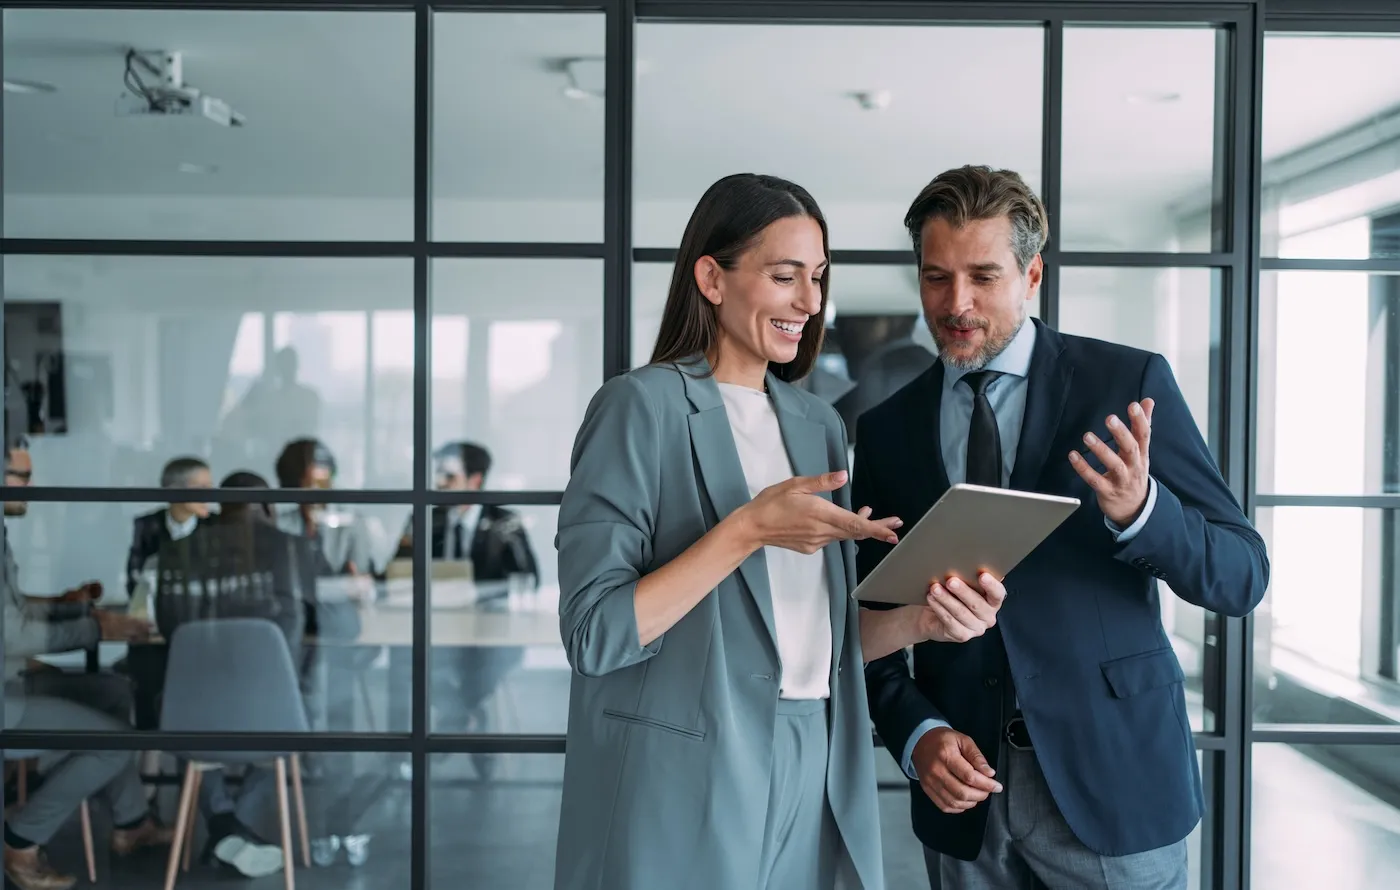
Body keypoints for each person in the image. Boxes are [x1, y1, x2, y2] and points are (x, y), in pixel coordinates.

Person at [553, 173, 1008, 890]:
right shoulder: (637, 409)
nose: (809, 301)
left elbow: (817, 643)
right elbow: (595, 634)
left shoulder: (818, 424)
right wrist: (747, 530)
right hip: (685, 771)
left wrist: (922, 621)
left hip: (817, 756)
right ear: (711, 276)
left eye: (818, 278)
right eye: (785, 276)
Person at [855, 165, 1270, 890]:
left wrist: (1143, 512)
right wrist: (918, 737)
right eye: (936, 278)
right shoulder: (886, 431)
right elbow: (869, 625)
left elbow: (1241, 574)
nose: (957, 303)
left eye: (983, 276)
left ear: (1032, 273)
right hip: (965, 804)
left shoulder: (1127, 384)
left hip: (1115, 784)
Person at [2, 436, 173, 890]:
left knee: (113, 692)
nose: (30, 485)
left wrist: (73, 608)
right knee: (113, 743)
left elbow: (13, 611)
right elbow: (12, 635)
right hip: (4, 698)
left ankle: (130, 821)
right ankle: (21, 839)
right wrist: (98, 631)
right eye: (21, 476)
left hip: (12, 681)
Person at [125, 456, 214, 601]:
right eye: (202, 488)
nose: (209, 495)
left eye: (210, 487)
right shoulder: (148, 526)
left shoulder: (215, 525)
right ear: (174, 491)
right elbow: (135, 580)